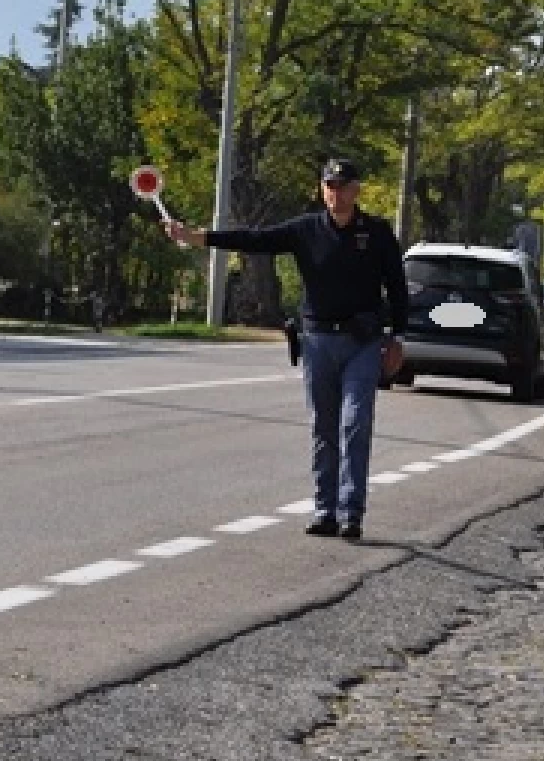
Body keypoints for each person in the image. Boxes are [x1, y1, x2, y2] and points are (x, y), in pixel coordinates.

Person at [165, 158, 407, 540]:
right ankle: (325, 509)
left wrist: (398, 338)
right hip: (317, 342)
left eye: (343, 186)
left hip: (363, 343)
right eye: (330, 185)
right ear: (321, 188)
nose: (336, 193)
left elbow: (397, 286)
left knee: (354, 423)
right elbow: (254, 239)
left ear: (356, 190)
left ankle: (351, 512)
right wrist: (198, 237)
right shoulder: (305, 230)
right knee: (324, 427)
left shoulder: (376, 233)